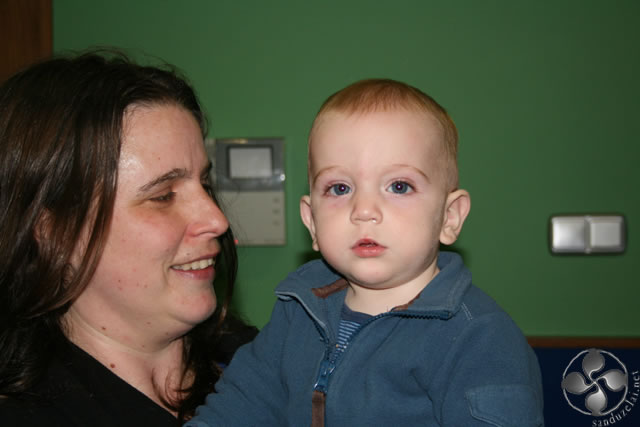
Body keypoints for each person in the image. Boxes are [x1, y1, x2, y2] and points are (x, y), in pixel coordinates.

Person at [187, 79, 544, 426]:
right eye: (340, 188)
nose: (364, 210)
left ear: (449, 217)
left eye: (399, 186)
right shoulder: (298, 310)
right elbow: (245, 400)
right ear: (312, 222)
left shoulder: (480, 339)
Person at [0, 51, 256, 426]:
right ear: (54, 232)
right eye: (163, 196)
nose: (216, 219)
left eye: (204, 183)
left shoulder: (269, 363)